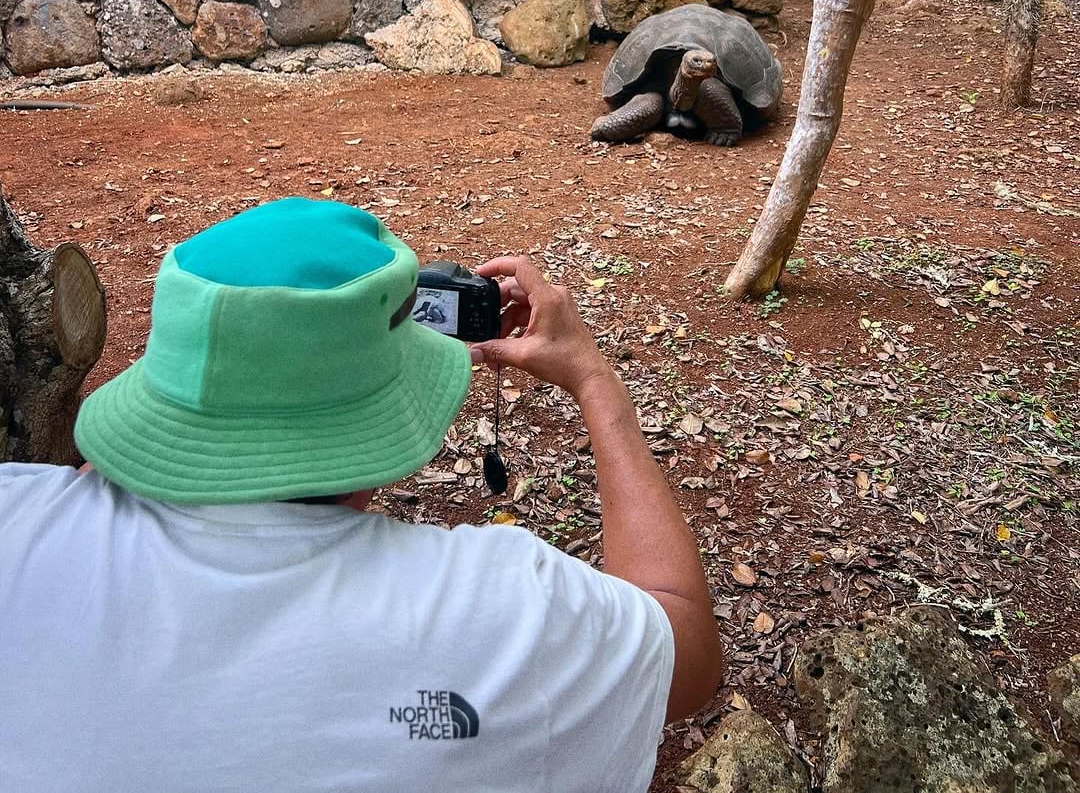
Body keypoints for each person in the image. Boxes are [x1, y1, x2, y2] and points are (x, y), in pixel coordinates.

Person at [0, 197, 722, 792]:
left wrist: (182, 430)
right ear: (376, 419)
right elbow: (684, 645)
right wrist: (595, 378)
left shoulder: (17, 524)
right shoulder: (503, 612)